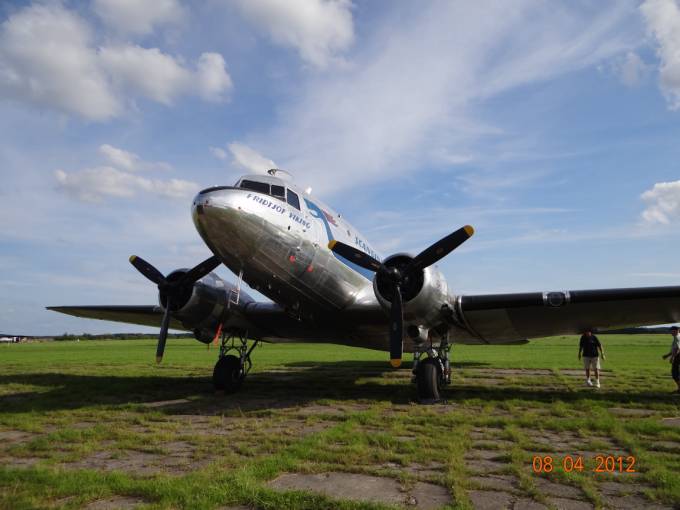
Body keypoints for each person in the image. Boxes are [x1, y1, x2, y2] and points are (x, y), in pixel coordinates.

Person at [662, 325, 680, 394]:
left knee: (675, 374)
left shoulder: (677, 338)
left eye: (672, 331)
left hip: (678, 357)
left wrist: (672, 357)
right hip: (677, 356)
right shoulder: (678, 336)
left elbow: (677, 349)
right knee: (677, 373)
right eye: (671, 331)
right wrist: (667, 355)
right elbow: (674, 349)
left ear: (677, 330)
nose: (671, 333)